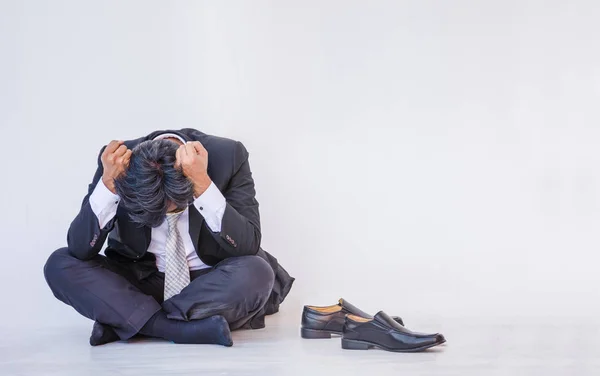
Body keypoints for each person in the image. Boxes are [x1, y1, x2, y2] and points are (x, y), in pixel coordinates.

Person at [44, 128, 294, 346]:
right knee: (60, 264)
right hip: (141, 278)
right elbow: (79, 249)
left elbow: (248, 245)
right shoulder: (116, 163)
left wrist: (203, 184)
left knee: (257, 272)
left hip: (210, 280)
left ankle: (128, 320)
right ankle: (177, 327)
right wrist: (108, 185)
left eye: (173, 208)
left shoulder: (229, 155)